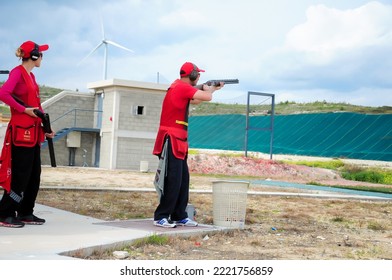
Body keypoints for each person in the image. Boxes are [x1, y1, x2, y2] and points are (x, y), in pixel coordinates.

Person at [152, 62, 223, 228]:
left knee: (183, 179)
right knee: (172, 179)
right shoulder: (181, 87)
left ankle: (179, 215)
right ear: (192, 75)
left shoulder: (180, 88)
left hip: (179, 139)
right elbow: (206, 97)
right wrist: (210, 90)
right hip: (172, 138)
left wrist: (212, 88)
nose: (199, 77)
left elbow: (197, 100)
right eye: (197, 75)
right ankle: (161, 216)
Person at [0, 40, 54, 228]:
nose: (42, 58)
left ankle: (25, 211)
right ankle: (5, 212)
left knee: (34, 175)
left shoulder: (31, 77)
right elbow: (3, 93)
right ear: (33, 56)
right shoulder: (17, 73)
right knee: (20, 175)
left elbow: (36, 105)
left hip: (34, 133)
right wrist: (24, 110)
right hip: (21, 134)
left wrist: (47, 128)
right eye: (41, 55)